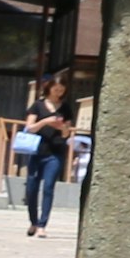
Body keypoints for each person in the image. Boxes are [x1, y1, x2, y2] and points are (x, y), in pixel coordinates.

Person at [19, 74, 80, 236]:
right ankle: (33, 221)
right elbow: (29, 127)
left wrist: (62, 127)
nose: (58, 92)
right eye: (56, 89)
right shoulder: (37, 106)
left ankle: (42, 225)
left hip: (55, 152)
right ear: (49, 88)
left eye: (61, 89)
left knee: (48, 188)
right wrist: (45, 122)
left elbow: (67, 134)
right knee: (31, 188)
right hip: (37, 151)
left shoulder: (65, 108)